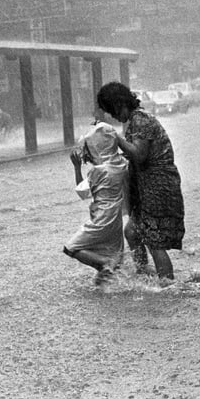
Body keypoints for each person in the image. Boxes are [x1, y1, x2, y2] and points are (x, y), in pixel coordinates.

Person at [96, 81, 185, 281]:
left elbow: (139, 155)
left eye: (112, 111)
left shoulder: (140, 121)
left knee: (155, 242)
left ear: (119, 105)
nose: (113, 116)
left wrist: (115, 138)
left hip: (159, 187)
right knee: (133, 232)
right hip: (147, 187)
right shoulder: (134, 122)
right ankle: (145, 275)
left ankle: (167, 285)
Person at [64, 121, 129, 285]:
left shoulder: (98, 171)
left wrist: (77, 168)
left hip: (101, 218)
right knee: (107, 273)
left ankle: (104, 264)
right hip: (115, 219)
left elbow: (82, 192)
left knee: (72, 247)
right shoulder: (122, 165)